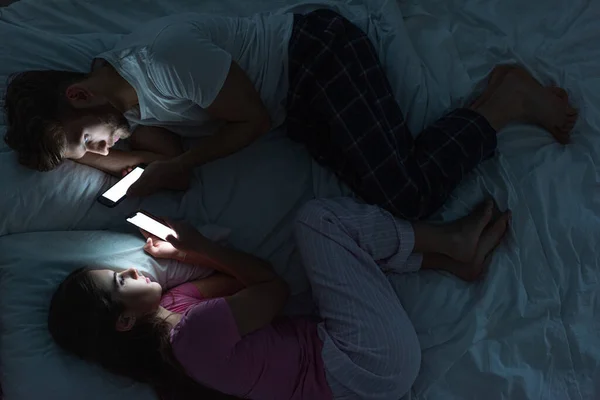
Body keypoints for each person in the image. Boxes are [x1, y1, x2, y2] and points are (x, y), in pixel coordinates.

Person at [3, 9, 577, 219]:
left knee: (408, 196)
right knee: (389, 192)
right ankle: (495, 100)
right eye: (88, 153)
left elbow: (248, 122)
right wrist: (102, 161)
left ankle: (507, 99)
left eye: (87, 138)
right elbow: (168, 154)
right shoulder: (127, 100)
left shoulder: (159, 63)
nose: (100, 152)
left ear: (80, 96)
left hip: (316, 57)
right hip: (298, 106)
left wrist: (168, 170)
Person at [48, 197, 511, 400]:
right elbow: (273, 288)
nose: (130, 269)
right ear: (124, 322)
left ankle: (455, 263)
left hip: (351, 361)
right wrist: (203, 249)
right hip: (364, 364)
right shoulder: (189, 339)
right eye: (119, 281)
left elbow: (254, 280)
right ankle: (451, 241)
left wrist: (188, 252)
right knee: (317, 221)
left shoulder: (181, 304)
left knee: (341, 256)